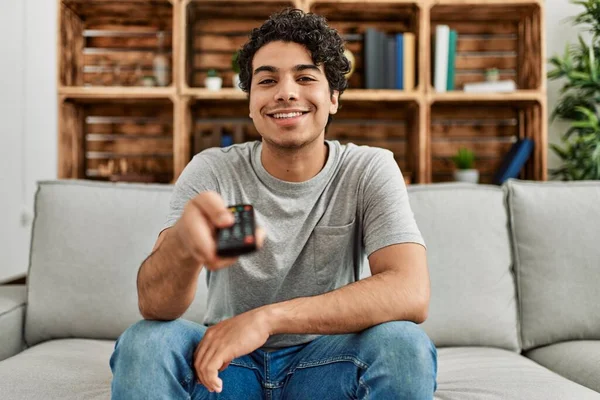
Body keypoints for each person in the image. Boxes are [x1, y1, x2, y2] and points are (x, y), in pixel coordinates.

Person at [110, 8, 437, 400]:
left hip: (327, 364)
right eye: (267, 80)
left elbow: (410, 292)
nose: (286, 92)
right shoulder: (213, 170)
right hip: (228, 369)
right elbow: (155, 306)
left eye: (304, 77)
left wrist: (266, 319)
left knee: (405, 344)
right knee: (145, 341)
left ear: (333, 98)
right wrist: (182, 243)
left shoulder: (368, 168)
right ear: (250, 102)